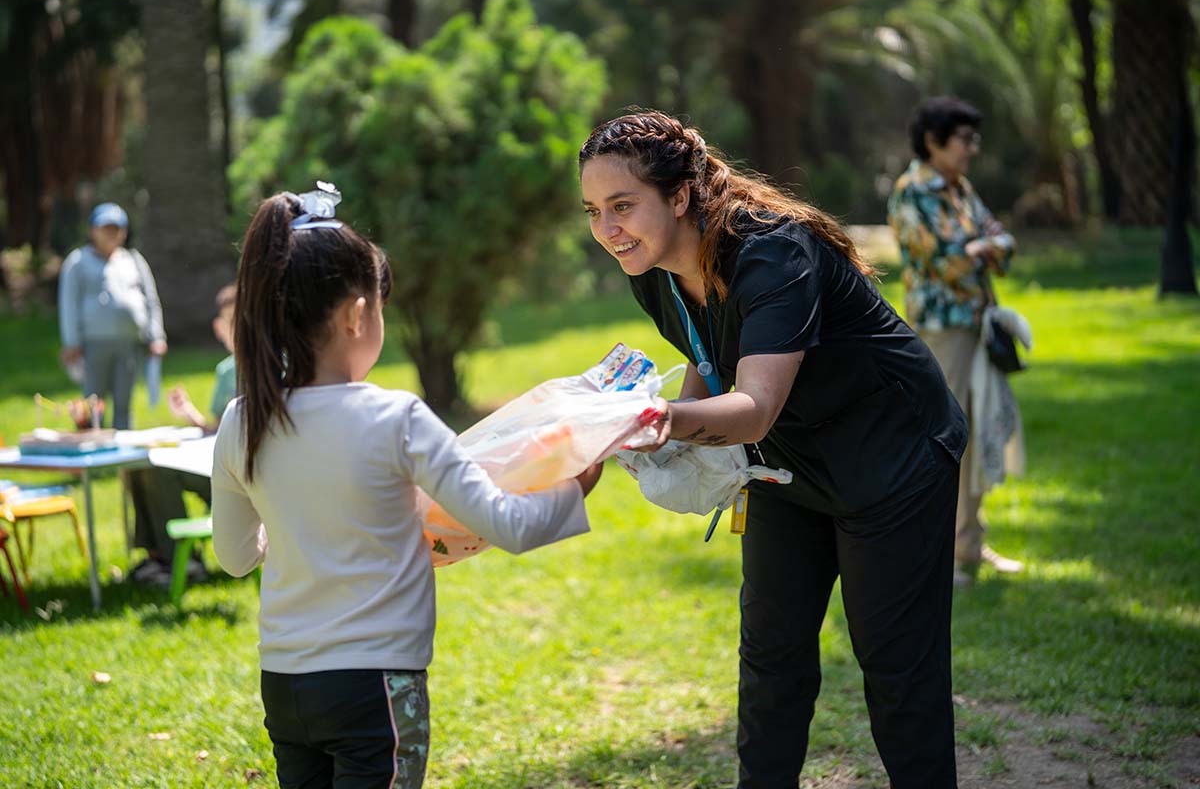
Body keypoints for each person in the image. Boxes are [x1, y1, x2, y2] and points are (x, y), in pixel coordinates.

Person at [579, 110, 966, 788]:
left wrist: (647, 419)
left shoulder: (771, 250)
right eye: (592, 211)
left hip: (893, 454)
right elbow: (712, 357)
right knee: (770, 654)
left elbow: (753, 410)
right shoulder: (651, 266)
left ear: (679, 196)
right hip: (787, 465)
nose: (607, 229)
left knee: (897, 666)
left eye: (622, 206)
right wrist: (651, 436)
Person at [210, 188, 604, 789]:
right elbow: (507, 524)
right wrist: (580, 480)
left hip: (285, 684)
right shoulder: (396, 418)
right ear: (355, 314)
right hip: (376, 685)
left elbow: (236, 556)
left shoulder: (242, 420)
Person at [887, 96, 1025, 588]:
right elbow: (944, 260)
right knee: (944, 441)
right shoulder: (911, 193)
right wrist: (978, 250)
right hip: (941, 331)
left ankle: (969, 544)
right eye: (965, 139)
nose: (973, 148)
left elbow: (1001, 243)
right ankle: (938, 556)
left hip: (975, 324)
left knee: (977, 431)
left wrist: (981, 248)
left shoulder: (960, 189)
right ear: (933, 141)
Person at [126, 283, 238, 586]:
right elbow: (217, 426)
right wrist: (190, 414)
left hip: (241, 472)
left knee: (160, 472)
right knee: (142, 465)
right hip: (215, 463)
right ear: (219, 328)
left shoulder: (271, 364)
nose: (237, 330)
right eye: (231, 322)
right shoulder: (227, 370)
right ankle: (158, 556)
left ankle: (181, 560)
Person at [58, 202, 167, 430]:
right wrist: (72, 342)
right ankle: (91, 458)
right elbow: (68, 303)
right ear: (92, 231)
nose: (112, 233)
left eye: (117, 228)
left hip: (128, 344)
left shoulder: (134, 260)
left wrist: (156, 335)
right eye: (106, 228)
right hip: (93, 344)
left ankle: (123, 457)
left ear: (124, 232)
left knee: (123, 403)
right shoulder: (77, 262)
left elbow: (150, 299)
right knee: (92, 405)